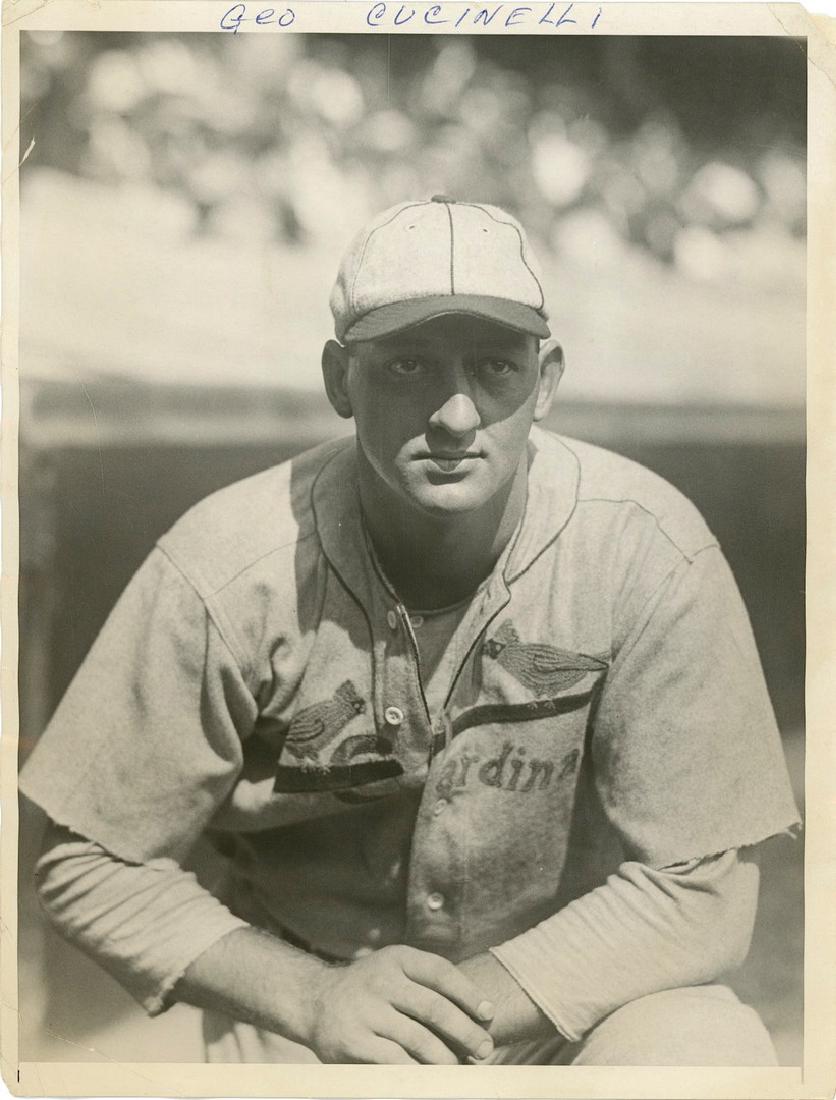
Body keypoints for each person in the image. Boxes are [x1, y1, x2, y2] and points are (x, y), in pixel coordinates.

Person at [20, 196, 800, 1066]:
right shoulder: (227, 566)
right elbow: (88, 856)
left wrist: (452, 1018)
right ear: (336, 380)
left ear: (546, 385)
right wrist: (309, 998)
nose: (456, 415)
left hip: (562, 1008)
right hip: (308, 1022)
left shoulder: (647, 551)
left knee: (706, 1046)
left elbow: (705, 891)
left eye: (496, 369)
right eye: (408, 367)